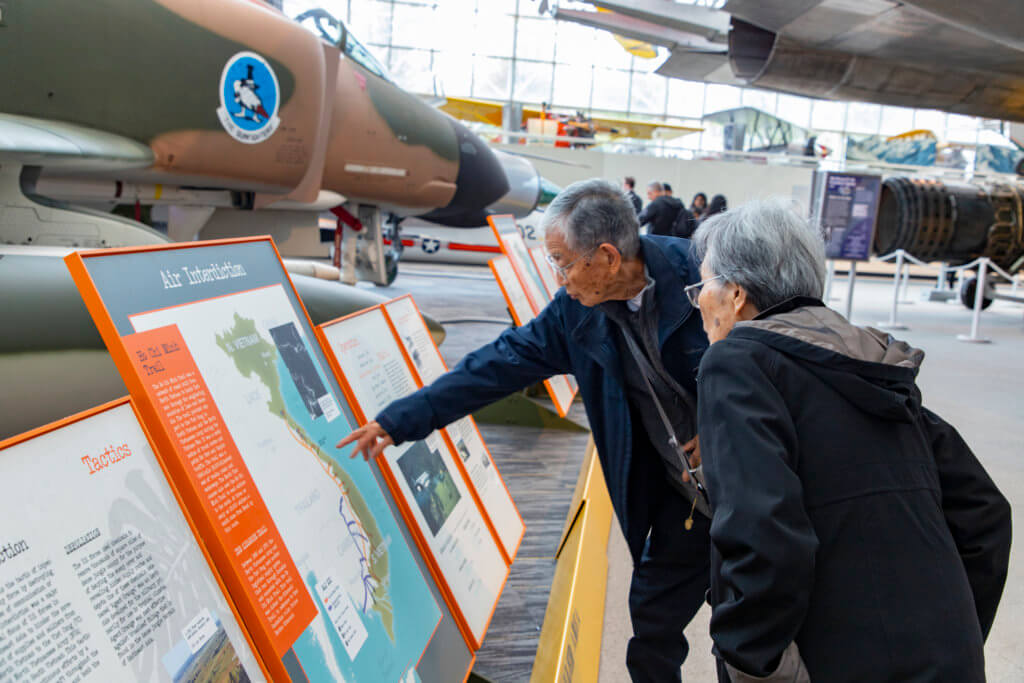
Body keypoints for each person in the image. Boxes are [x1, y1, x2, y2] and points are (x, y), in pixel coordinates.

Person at [339, 179, 712, 682]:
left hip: (749, 488)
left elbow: (775, 358)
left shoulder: (703, 272)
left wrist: (723, 428)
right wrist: (399, 419)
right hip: (681, 498)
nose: (559, 279)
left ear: (605, 257)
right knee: (652, 627)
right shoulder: (576, 315)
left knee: (745, 637)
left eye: (561, 261)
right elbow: (499, 363)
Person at [689, 199, 1012, 682]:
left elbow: (762, 530)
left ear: (736, 293)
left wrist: (754, 662)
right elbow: (984, 513)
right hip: (947, 660)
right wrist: (952, 630)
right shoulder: (872, 363)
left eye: (703, 284)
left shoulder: (739, 363)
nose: (698, 300)